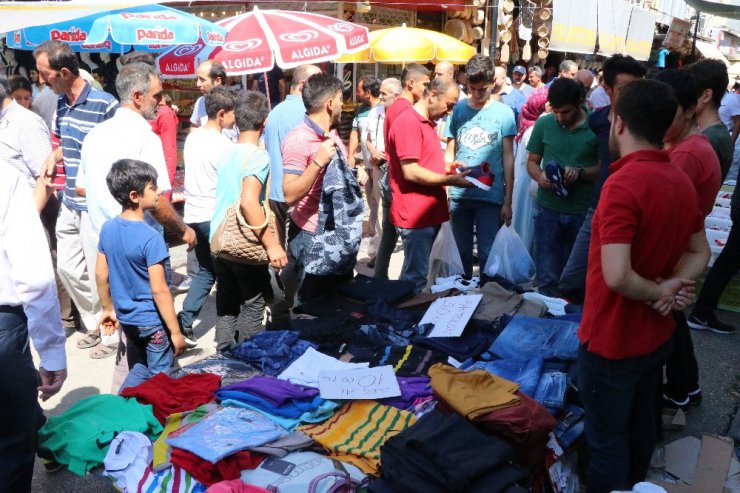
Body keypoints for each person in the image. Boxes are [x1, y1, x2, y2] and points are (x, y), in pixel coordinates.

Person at [577, 79, 710, 493]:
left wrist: (662, 291)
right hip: (654, 337)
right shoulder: (678, 178)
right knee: (639, 427)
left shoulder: (623, 184)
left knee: (607, 440)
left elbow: (616, 275)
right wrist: (672, 286)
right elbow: (700, 252)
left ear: (619, 124)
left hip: (612, 340)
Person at [77, 62, 195, 358]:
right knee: (154, 328)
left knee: (129, 330)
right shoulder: (145, 136)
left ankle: (131, 376)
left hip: (106, 239)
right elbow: (157, 201)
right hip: (140, 247)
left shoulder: (94, 135)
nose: (161, 102)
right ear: (139, 96)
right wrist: (183, 230)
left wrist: (106, 308)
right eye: (157, 96)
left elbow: (82, 187)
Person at [33, 40, 119, 353]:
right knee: (67, 267)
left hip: (94, 203)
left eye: (46, 74)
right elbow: (68, 141)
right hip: (69, 200)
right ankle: (97, 319)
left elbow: (115, 156)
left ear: (65, 72)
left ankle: (108, 329)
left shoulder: (104, 104)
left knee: (100, 271)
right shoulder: (60, 102)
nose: (42, 80)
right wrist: (55, 156)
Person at [0, 116, 67, 493]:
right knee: (10, 442)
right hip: (3, 332)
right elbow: (34, 274)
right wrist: (52, 353)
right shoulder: (5, 178)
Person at [655, 69, 722, 415]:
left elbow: (666, 212)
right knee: (674, 324)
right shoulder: (683, 145)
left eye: (667, 112)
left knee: (669, 324)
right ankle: (687, 386)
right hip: (680, 248)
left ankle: (681, 387)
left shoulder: (687, 154)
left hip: (677, 250)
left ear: (689, 110)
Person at [559, 55, 646, 302]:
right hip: (597, 208)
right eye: (625, 89)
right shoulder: (597, 121)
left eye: (637, 88)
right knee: (572, 280)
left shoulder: (646, 126)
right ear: (607, 89)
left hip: (632, 213)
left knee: (611, 282)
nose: (632, 95)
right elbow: (596, 164)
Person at [96, 159, 185, 391]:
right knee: (160, 379)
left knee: (139, 367)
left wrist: (108, 309)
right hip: (152, 323)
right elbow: (159, 290)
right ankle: (156, 421)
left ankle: (121, 404)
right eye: (153, 188)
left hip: (127, 320)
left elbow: (100, 273)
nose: (158, 193)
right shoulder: (151, 238)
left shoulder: (108, 228)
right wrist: (175, 332)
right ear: (135, 196)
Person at [211, 91, 288, 351]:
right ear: (264, 122)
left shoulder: (226, 153)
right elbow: (248, 201)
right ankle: (247, 364)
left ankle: (223, 355)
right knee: (252, 305)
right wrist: (272, 245)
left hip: (220, 239)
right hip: (244, 242)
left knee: (226, 302)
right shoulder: (258, 157)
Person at [386, 76, 473, 293]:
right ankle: (406, 321)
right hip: (416, 216)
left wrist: (448, 168)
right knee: (415, 277)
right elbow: (411, 171)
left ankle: (402, 313)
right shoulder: (409, 122)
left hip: (426, 215)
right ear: (433, 95)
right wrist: (450, 180)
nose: (450, 111)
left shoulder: (426, 122)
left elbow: (424, 163)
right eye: (449, 105)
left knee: (414, 273)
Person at [282, 73, 354, 303]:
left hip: (337, 233)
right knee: (311, 307)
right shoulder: (298, 139)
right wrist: (317, 162)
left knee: (338, 302)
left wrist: (353, 174)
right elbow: (289, 194)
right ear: (330, 104)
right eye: (341, 99)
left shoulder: (331, 133)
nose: (343, 105)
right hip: (311, 237)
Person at [444, 55, 517, 279]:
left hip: (490, 197)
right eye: (471, 88)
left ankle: (488, 300)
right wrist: (446, 189)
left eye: (482, 89)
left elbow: (508, 158)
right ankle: (460, 301)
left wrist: (507, 200)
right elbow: (449, 152)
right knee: (461, 254)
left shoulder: (504, 113)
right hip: (460, 196)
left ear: (493, 82)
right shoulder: (458, 111)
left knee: (488, 254)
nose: (476, 94)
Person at [526, 77, 598, 297]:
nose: (559, 118)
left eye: (565, 112)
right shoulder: (544, 123)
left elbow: (605, 168)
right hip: (548, 209)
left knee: (575, 278)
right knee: (547, 275)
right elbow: (532, 162)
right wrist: (540, 177)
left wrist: (581, 172)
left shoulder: (596, 125)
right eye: (555, 111)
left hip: (581, 212)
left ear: (579, 103)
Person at [178, 87, 236, 346]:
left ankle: (185, 320)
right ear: (221, 114)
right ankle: (227, 332)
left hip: (193, 214)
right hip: (215, 217)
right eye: (233, 114)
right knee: (226, 275)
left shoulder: (193, 137)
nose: (236, 119)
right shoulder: (224, 145)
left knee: (205, 271)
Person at [263, 64, 322, 249]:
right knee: (298, 250)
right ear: (303, 85)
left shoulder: (275, 111)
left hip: (275, 191)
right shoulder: (307, 113)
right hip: (297, 191)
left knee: (280, 248)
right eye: (317, 83)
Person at [366, 77, 401, 274]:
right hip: (379, 164)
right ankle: (379, 253)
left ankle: (383, 254)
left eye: (384, 94)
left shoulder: (404, 113)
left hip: (394, 165)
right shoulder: (375, 112)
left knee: (388, 214)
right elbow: (368, 139)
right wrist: (373, 152)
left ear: (396, 95)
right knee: (378, 205)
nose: (380, 97)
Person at [686, 59, 734, 180]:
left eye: (688, 92)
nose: (684, 98)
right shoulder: (716, 133)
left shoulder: (710, 139)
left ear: (706, 96)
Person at [349, 75, 380, 259]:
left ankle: (377, 237)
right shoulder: (360, 111)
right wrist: (351, 155)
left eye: (359, 90)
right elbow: (355, 133)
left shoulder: (383, 110)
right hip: (366, 164)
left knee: (379, 200)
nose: (357, 93)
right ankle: (372, 233)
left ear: (368, 93)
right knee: (371, 200)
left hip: (379, 165)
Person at [150, 88, 180, 190]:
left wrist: (166, 185)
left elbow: (169, 151)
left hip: (157, 177)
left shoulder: (164, 113)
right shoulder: (147, 111)